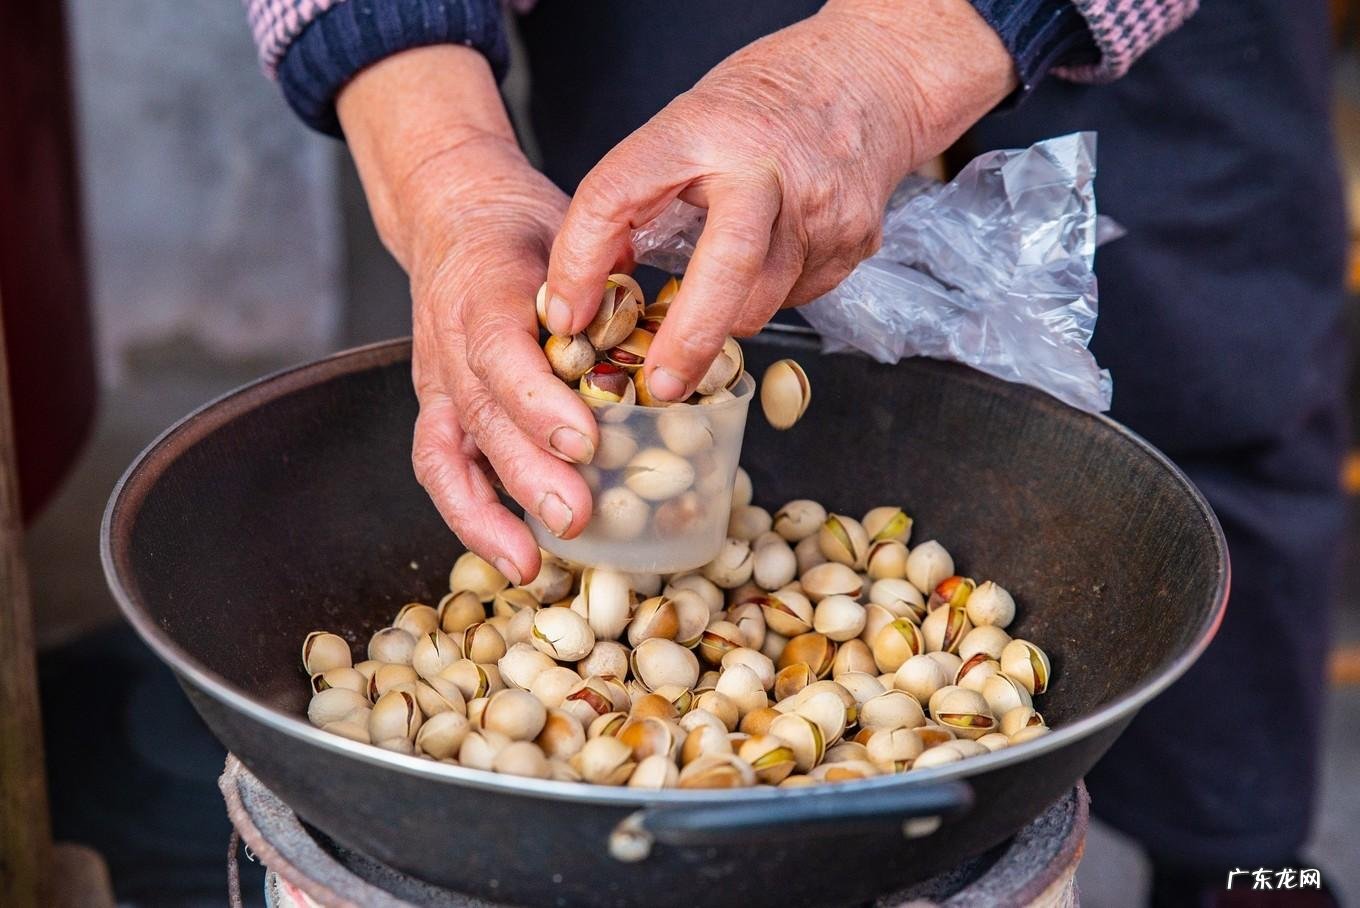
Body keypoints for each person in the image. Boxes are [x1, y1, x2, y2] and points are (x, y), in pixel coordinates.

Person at [244, 1, 1349, 904]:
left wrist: (900, 54)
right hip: (671, 34)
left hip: (1162, 54)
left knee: (1209, 390)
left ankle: (1248, 870)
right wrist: (449, 171)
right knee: (657, 326)